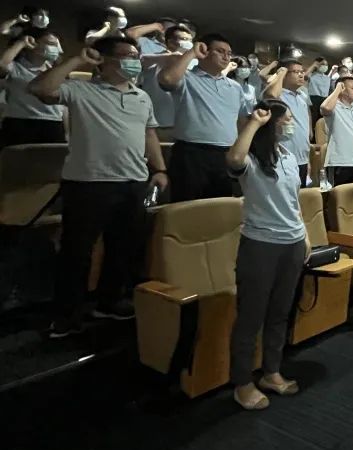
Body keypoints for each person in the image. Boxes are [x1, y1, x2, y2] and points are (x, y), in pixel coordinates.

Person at [29, 37, 168, 338]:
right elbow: (40, 89)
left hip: (133, 182)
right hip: (88, 183)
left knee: (122, 248)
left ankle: (109, 302)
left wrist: (159, 169)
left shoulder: (142, 97)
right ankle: (67, 314)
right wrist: (77, 60)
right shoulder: (80, 90)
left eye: (136, 55)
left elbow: (149, 134)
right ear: (103, 59)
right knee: (77, 252)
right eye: (126, 55)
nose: (134, 60)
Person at [225, 101, 310, 410]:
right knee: (251, 317)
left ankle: (271, 372)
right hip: (260, 245)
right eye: (286, 119)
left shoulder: (288, 156)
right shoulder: (250, 159)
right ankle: (242, 382)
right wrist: (254, 122)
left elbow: (294, 202)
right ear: (270, 124)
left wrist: (305, 235)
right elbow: (234, 159)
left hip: (292, 242)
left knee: (279, 313)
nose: (291, 124)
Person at [158, 33, 246, 201]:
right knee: (187, 207)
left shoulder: (235, 87)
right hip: (191, 154)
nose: (226, 57)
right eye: (220, 51)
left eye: (229, 53)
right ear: (204, 51)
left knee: (219, 207)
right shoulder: (187, 78)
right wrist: (192, 52)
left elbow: (242, 121)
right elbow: (166, 79)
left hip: (225, 154)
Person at [0, 28, 66, 148]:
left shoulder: (54, 71)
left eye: (56, 45)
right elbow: (2, 64)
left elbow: (63, 106)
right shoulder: (16, 67)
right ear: (33, 43)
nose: (54, 48)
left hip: (53, 123)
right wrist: (22, 43)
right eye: (50, 44)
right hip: (20, 122)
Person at [137, 23, 195, 135]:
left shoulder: (194, 63)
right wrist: (169, 57)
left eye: (190, 40)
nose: (188, 43)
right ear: (170, 42)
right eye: (184, 39)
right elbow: (141, 60)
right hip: (159, 123)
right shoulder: (156, 59)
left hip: (186, 124)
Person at [263, 59, 313, 185]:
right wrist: (281, 73)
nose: (301, 75)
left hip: (302, 158)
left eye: (302, 72)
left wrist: (308, 160)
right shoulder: (279, 94)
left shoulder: (302, 96)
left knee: (301, 194)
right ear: (285, 74)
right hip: (283, 158)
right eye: (296, 72)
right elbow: (271, 95)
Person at [320, 76, 353, 185]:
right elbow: (325, 108)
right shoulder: (335, 107)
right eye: (352, 88)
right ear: (342, 89)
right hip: (338, 163)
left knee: (352, 196)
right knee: (337, 195)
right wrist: (338, 89)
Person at [306, 57, 332, 122]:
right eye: (323, 64)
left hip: (325, 100)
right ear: (317, 65)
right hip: (314, 100)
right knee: (314, 119)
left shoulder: (327, 78)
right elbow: (305, 76)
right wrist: (313, 65)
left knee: (323, 120)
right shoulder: (311, 75)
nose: (325, 66)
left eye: (326, 65)